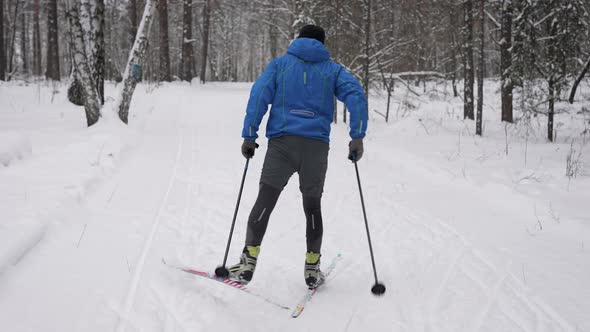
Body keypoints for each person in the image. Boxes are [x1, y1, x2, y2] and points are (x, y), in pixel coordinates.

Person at [228, 25, 368, 289]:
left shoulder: (280, 65)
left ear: (298, 39)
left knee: (265, 200)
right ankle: (312, 268)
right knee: (312, 206)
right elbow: (356, 95)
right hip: (315, 148)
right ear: (322, 44)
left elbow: (259, 95)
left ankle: (248, 261)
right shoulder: (333, 70)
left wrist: (250, 135)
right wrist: (357, 135)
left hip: (281, 145)